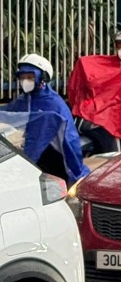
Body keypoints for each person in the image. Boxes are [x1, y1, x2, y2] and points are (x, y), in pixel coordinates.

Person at [4, 54, 89, 184]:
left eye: (30, 77)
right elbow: (8, 114)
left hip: (51, 154)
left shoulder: (54, 103)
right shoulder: (22, 99)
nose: (25, 81)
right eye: (22, 77)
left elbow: (69, 139)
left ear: (42, 78)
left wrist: (74, 168)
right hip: (27, 152)